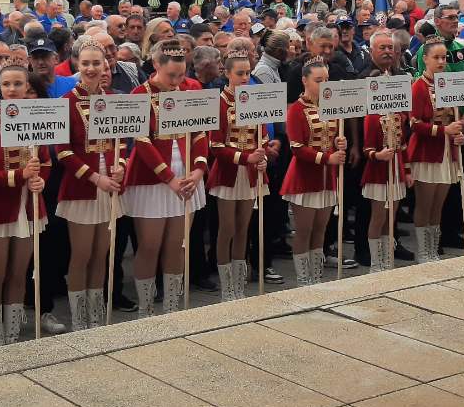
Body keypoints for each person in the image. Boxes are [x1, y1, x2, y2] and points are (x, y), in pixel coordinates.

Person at [125, 40, 210, 313]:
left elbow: (199, 134)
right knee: (149, 246)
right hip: (151, 179)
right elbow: (142, 143)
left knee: (178, 244)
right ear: (156, 66)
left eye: (181, 74)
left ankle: (173, 306)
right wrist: (169, 178)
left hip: (187, 176)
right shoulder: (139, 93)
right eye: (171, 75)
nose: (176, 81)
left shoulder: (190, 90)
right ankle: (146, 307)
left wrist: (198, 170)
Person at [0, 63, 52, 345]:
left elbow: (45, 161)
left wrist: (40, 181)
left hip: (30, 207)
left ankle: (13, 334)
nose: (12, 89)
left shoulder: (38, 119)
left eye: (18, 84)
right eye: (7, 85)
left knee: (19, 274)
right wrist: (19, 176)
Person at [55, 41, 126, 329]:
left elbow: (124, 141)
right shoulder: (67, 101)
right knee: (82, 254)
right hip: (82, 187)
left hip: (111, 184)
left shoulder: (114, 100)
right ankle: (78, 317)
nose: (92, 69)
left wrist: (122, 166)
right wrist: (96, 177)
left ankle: (96, 315)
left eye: (97, 63)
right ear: (77, 66)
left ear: (105, 66)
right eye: (86, 63)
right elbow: (63, 151)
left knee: (101, 253)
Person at [207, 52, 271, 298]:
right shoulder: (220, 102)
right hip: (228, 174)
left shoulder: (256, 99)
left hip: (251, 174)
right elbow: (215, 146)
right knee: (227, 228)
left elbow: (262, 136)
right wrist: (245, 158)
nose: (245, 78)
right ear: (227, 73)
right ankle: (226, 286)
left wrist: (265, 154)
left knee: (244, 228)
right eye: (240, 73)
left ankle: (238, 285)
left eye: (247, 73)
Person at [281, 56, 344, 283]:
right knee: (304, 231)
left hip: (328, 178)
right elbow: (297, 148)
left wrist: (339, 143)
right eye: (319, 80)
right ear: (305, 81)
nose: (324, 84)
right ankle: (303, 279)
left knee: (320, 230)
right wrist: (328, 158)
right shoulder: (297, 109)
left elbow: (334, 136)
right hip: (305, 177)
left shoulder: (331, 105)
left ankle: (316, 277)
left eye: (326, 79)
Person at [407, 39, 464, 262]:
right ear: (425, 59)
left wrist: (460, 132)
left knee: (438, 205)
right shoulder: (418, 86)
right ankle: (424, 251)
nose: (442, 62)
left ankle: (433, 249)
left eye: (444, 58)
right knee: (425, 203)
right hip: (426, 152)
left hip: (447, 152)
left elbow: (456, 118)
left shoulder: (450, 84)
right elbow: (413, 124)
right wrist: (443, 131)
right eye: (437, 58)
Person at [361, 76, 409, 270]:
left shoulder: (399, 115)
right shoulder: (371, 117)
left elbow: (403, 146)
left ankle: (387, 260)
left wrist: (406, 171)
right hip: (378, 172)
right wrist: (378, 155)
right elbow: (367, 149)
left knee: (392, 218)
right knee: (378, 217)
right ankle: (375, 263)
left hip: (396, 170)